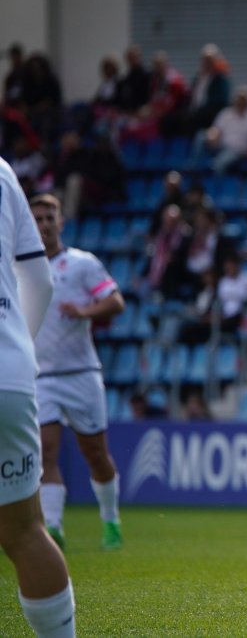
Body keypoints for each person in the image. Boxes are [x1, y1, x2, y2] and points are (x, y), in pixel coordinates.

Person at [0, 158, 77, 637]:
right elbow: (40, 280)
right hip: (9, 372)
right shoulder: (3, 171)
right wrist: (16, 353)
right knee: (26, 531)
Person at [28, 194, 127, 552]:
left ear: (60, 222)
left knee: (96, 454)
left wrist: (86, 311)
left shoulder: (82, 263)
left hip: (81, 372)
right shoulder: (21, 266)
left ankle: (110, 517)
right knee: (46, 452)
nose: (43, 225)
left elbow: (115, 301)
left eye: (49, 217)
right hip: (41, 376)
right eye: (36, 218)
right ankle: (53, 528)